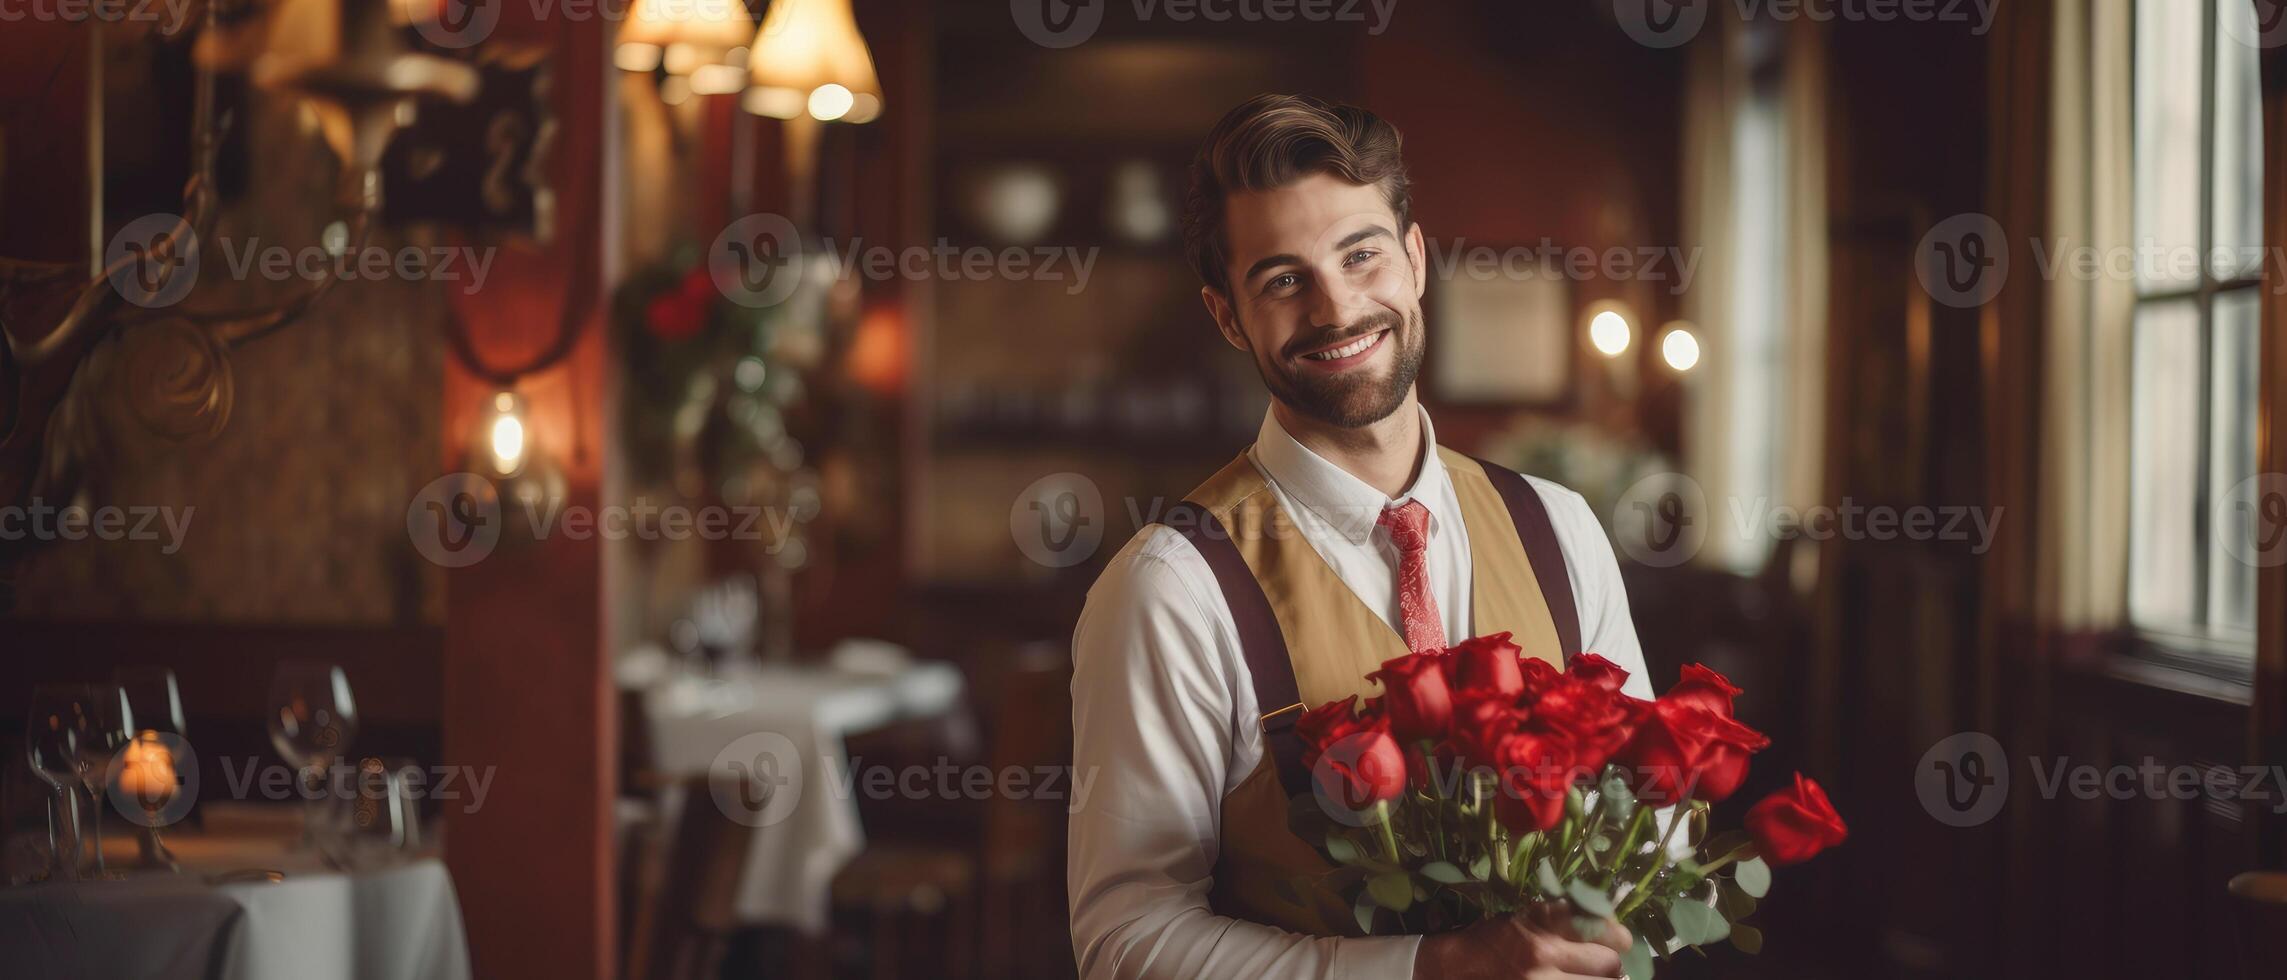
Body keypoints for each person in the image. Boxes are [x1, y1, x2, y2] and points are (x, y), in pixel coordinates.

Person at [1067, 93, 1658, 979]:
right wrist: (1425, 968)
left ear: (1414, 259)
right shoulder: (1170, 586)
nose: (1337, 308)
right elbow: (1126, 938)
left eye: (1361, 255)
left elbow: (1652, 823)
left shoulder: (1559, 529)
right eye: (1281, 279)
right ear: (1228, 315)